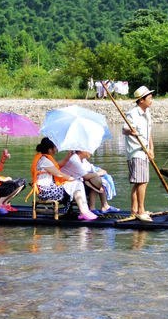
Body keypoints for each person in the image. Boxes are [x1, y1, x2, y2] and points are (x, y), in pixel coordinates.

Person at [30, 137, 97, 221]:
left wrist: (67, 157)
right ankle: (83, 211)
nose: (56, 149)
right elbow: (59, 174)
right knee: (77, 183)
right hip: (47, 192)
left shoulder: (44, 158)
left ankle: (83, 211)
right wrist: (72, 179)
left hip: (47, 189)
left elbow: (58, 165)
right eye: (55, 147)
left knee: (77, 184)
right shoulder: (45, 161)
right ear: (50, 149)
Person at [123, 85, 155, 222]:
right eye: (149, 98)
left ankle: (135, 210)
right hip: (136, 152)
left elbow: (149, 134)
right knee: (141, 182)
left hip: (145, 152)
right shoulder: (132, 113)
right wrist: (131, 131)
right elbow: (124, 129)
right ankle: (140, 210)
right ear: (141, 100)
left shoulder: (147, 113)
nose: (151, 100)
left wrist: (151, 149)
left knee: (141, 182)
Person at [60, 150, 119, 214]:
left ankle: (104, 206)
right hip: (68, 185)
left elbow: (91, 168)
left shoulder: (82, 159)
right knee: (95, 181)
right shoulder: (74, 159)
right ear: (81, 151)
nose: (91, 153)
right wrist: (99, 173)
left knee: (98, 180)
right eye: (88, 150)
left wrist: (99, 171)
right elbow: (85, 176)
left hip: (77, 182)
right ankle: (93, 208)